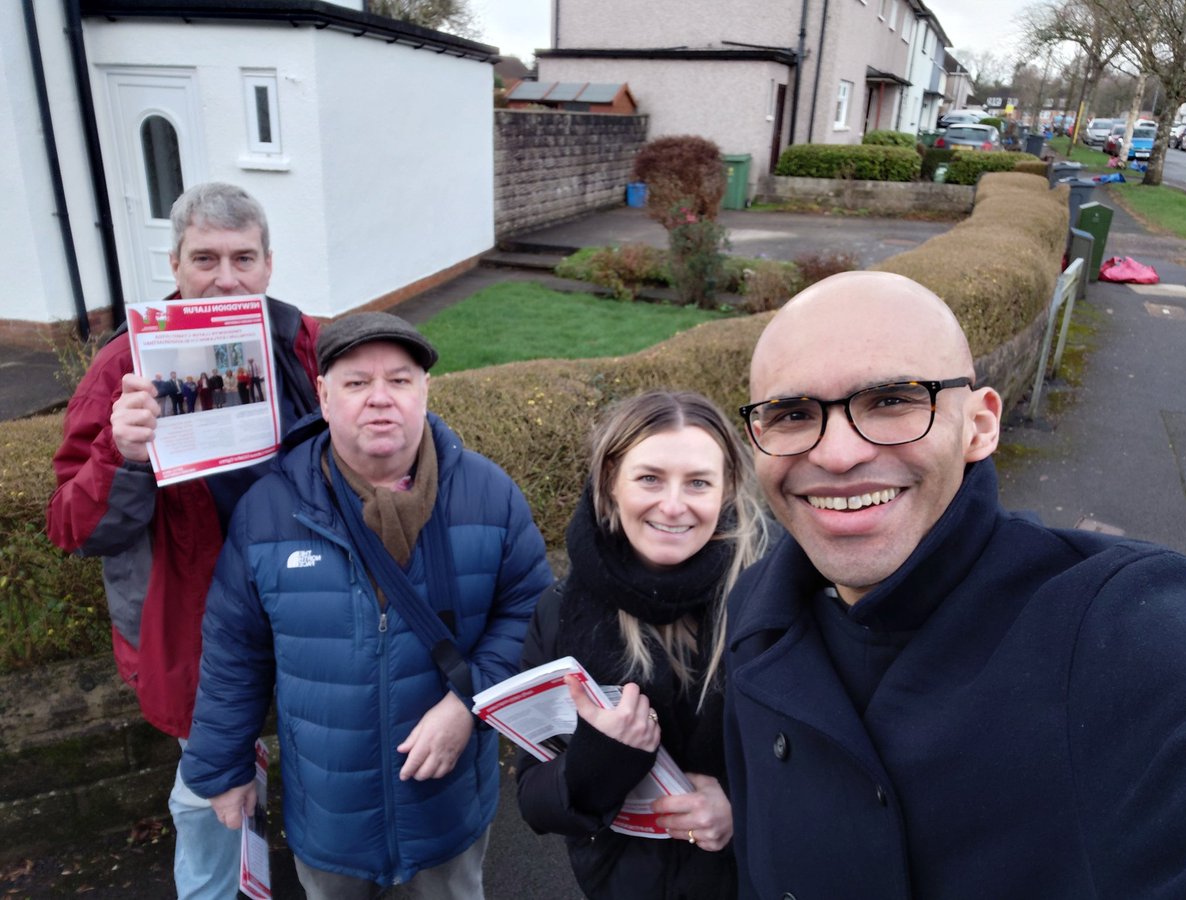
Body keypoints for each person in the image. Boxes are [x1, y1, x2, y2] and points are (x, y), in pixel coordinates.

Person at [724, 270, 1186, 898]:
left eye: (892, 401)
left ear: (980, 424)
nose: (836, 454)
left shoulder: (1120, 631)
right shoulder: (753, 610)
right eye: (791, 413)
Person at [181, 312, 553, 898]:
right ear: (324, 396)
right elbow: (234, 651)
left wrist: (469, 703)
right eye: (357, 383)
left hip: (447, 807)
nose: (380, 399)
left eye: (400, 381)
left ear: (425, 390)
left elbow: (532, 616)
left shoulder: (490, 494)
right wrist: (222, 770)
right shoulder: (269, 512)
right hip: (330, 817)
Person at [45, 182, 321, 900]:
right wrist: (121, 453)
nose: (225, 278)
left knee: (314, 767)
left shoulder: (301, 343)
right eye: (205, 258)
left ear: (268, 264)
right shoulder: (124, 364)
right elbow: (74, 527)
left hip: (300, 614)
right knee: (209, 798)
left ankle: (292, 872)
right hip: (189, 632)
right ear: (174, 262)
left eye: (242, 258)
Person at [517, 390, 771, 899]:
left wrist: (741, 809)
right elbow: (533, 799)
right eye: (650, 478)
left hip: (748, 880)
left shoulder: (771, 596)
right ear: (611, 482)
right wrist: (600, 756)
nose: (673, 506)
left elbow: (831, 767)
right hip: (620, 883)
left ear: (727, 490)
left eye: (698, 482)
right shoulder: (562, 608)